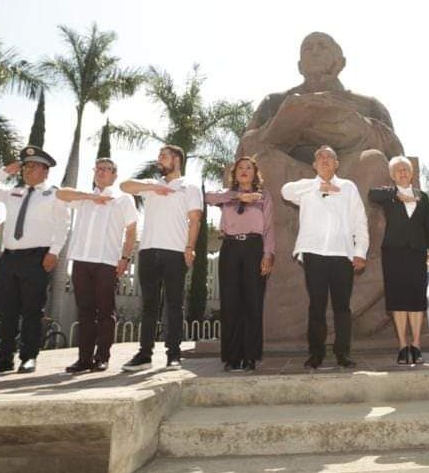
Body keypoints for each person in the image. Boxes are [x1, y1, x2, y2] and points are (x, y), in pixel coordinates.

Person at [0, 146, 70, 374]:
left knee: (32, 311)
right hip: (9, 258)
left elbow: (63, 225)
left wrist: (54, 252)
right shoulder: (14, 193)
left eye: (33, 166)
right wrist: (5, 171)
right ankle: (4, 357)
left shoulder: (54, 194)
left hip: (36, 257)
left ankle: (29, 357)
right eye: (26, 166)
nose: (27, 170)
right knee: (7, 310)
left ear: (46, 172)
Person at [281, 145, 369, 370]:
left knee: (342, 307)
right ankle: (316, 354)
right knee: (317, 306)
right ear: (314, 165)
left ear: (337, 163)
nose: (325, 159)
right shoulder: (306, 188)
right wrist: (319, 186)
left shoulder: (348, 187)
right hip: (314, 253)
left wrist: (360, 252)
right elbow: (285, 191)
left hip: (342, 254)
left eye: (329, 157)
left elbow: (360, 221)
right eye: (320, 157)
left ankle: (343, 353)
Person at [120, 145, 202, 372]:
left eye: (163, 156)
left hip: (175, 252)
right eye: (159, 156)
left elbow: (195, 220)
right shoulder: (150, 185)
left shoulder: (190, 187)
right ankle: (144, 355)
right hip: (147, 252)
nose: (159, 160)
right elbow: (124, 186)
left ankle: (173, 355)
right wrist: (153, 186)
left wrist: (190, 246)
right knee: (148, 306)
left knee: (174, 305)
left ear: (177, 159)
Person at [56, 158, 138, 373]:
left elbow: (131, 231)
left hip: (107, 262)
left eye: (106, 169)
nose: (101, 172)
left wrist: (125, 258)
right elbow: (60, 193)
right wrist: (90, 196)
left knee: (105, 312)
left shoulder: (123, 199)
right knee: (84, 311)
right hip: (81, 260)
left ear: (114, 174)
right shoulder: (82, 198)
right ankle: (84, 359)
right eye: (98, 169)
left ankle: (102, 356)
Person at [204, 156, 275, 372]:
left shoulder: (263, 196)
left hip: (254, 249)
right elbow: (207, 197)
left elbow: (270, 228)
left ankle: (251, 357)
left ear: (255, 173)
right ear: (234, 173)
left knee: (253, 304)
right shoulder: (226, 196)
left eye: (249, 168)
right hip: (231, 249)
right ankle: (232, 357)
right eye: (240, 168)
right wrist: (238, 197)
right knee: (231, 303)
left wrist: (268, 255)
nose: (244, 171)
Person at [368, 156, 429, 365]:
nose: (402, 172)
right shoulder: (388, 196)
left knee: (416, 299)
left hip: (417, 252)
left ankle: (416, 345)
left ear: (412, 173)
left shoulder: (422, 197)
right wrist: (398, 195)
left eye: (405, 169)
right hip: (393, 252)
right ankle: (402, 346)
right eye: (397, 170)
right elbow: (372, 194)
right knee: (398, 299)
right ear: (392, 175)